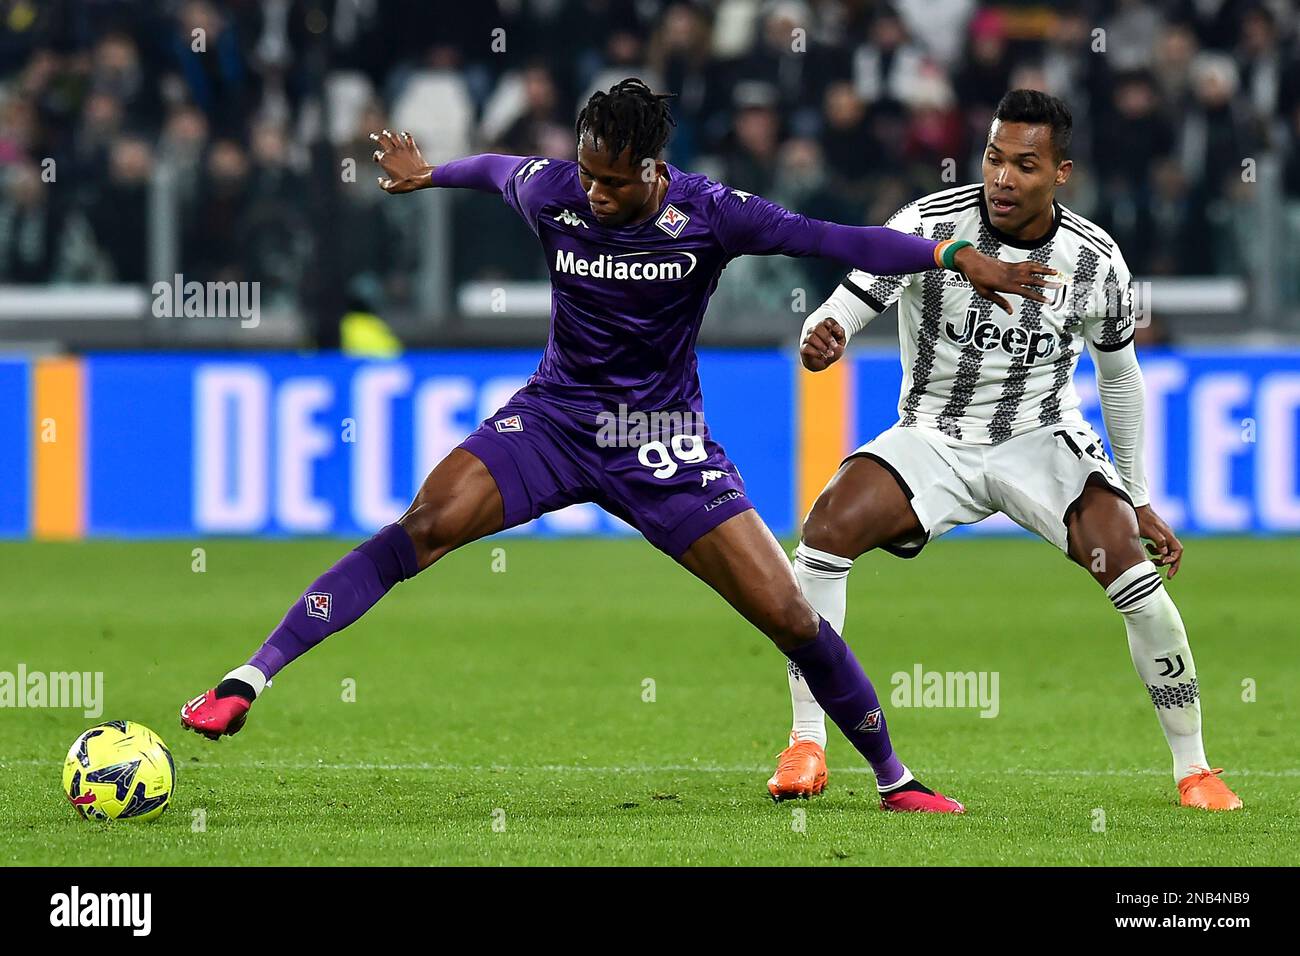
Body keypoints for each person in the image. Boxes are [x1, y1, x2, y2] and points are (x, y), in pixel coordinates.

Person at [181, 78, 1053, 814]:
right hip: (557, 421)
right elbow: (495, 170)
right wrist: (430, 173)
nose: (592, 194)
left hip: (661, 441)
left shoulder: (711, 214)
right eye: (586, 175)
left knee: (789, 612)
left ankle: (894, 779)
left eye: (609, 181)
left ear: (650, 169)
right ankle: (243, 682)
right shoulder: (556, 190)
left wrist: (950, 255)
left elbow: (828, 237)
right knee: (423, 524)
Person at [767, 89, 1241, 813]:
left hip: (1042, 438)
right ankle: (806, 744)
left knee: (1135, 579)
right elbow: (858, 291)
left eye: (1025, 164)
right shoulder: (929, 222)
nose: (1003, 178)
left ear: (1061, 173)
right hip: (931, 434)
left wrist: (1138, 494)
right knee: (823, 534)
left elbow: (1120, 375)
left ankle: (1195, 767)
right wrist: (826, 327)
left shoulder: (1095, 261)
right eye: (994, 157)